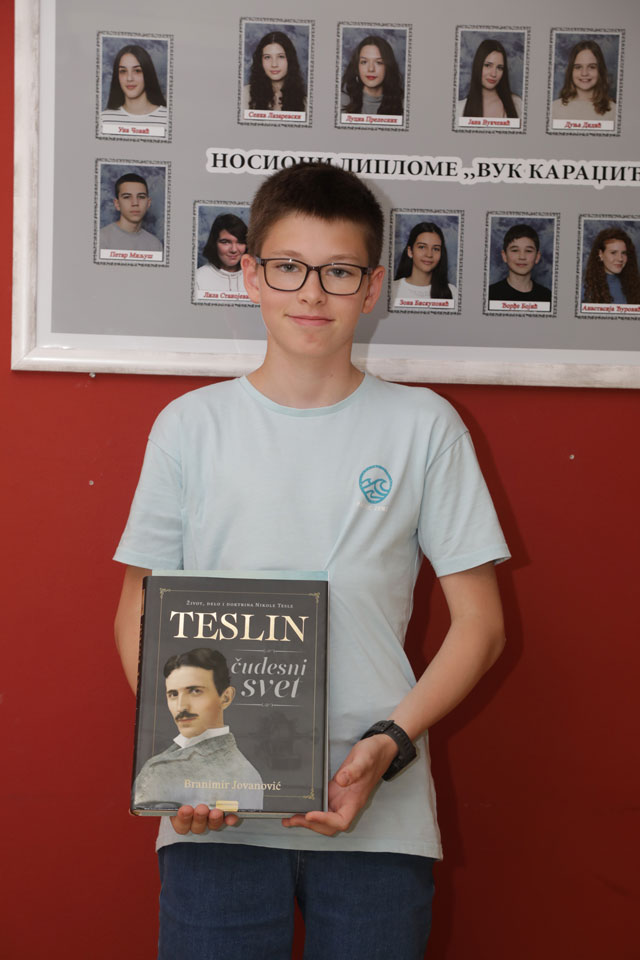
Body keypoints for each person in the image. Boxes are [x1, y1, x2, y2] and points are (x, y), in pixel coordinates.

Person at [114, 160, 508, 959]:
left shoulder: (425, 427)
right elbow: (138, 610)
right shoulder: (188, 426)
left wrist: (390, 744)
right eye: (290, 267)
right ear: (252, 276)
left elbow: (481, 625)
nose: (313, 294)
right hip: (215, 816)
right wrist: (181, 748)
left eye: (339, 272)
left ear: (373, 286)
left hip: (378, 810)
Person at [133, 648, 264, 812]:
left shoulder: (159, 770)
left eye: (195, 691)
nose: (181, 707)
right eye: (173, 694)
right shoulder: (250, 773)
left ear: (226, 697)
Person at [101, 43, 168, 130]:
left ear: (148, 73)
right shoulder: (104, 119)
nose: (129, 78)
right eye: (123, 71)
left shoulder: (167, 119)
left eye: (137, 71)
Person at [391, 221, 457, 306]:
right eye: (422, 247)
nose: (429, 254)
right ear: (410, 251)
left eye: (436, 249)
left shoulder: (453, 293)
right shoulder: (392, 290)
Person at [551, 39, 615, 122]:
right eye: (578, 67)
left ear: (600, 71)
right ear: (571, 71)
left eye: (592, 67)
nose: (584, 73)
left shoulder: (614, 111)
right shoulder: (554, 109)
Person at [242, 31, 306, 113]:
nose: (274, 64)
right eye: (267, 57)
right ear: (260, 61)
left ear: (290, 60)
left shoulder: (305, 103)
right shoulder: (244, 95)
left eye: (281, 56)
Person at [457, 38, 521, 119]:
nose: (493, 74)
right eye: (488, 65)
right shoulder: (460, 109)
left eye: (499, 68)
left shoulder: (517, 104)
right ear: (478, 66)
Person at [341, 34, 404, 116]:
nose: (371, 69)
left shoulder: (404, 103)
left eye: (379, 62)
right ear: (357, 67)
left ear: (388, 67)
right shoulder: (342, 102)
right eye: (364, 62)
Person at [99, 173, 163, 253]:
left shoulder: (155, 245)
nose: (135, 203)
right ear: (117, 204)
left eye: (141, 197)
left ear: (148, 203)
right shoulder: (101, 240)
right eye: (127, 197)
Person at [488, 224, 552, 303]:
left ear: (537, 257)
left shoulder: (547, 297)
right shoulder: (490, 295)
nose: (522, 257)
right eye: (515, 250)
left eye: (528, 251)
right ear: (504, 256)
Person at [582, 227, 640, 305]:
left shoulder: (634, 287)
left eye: (623, 253)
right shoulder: (585, 290)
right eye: (613, 253)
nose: (620, 258)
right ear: (600, 254)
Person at [195, 213, 248, 296]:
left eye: (240, 242)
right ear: (214, 243)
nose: (234, 250)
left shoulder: (258, 277)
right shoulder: (197, 279)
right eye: (225, 242)